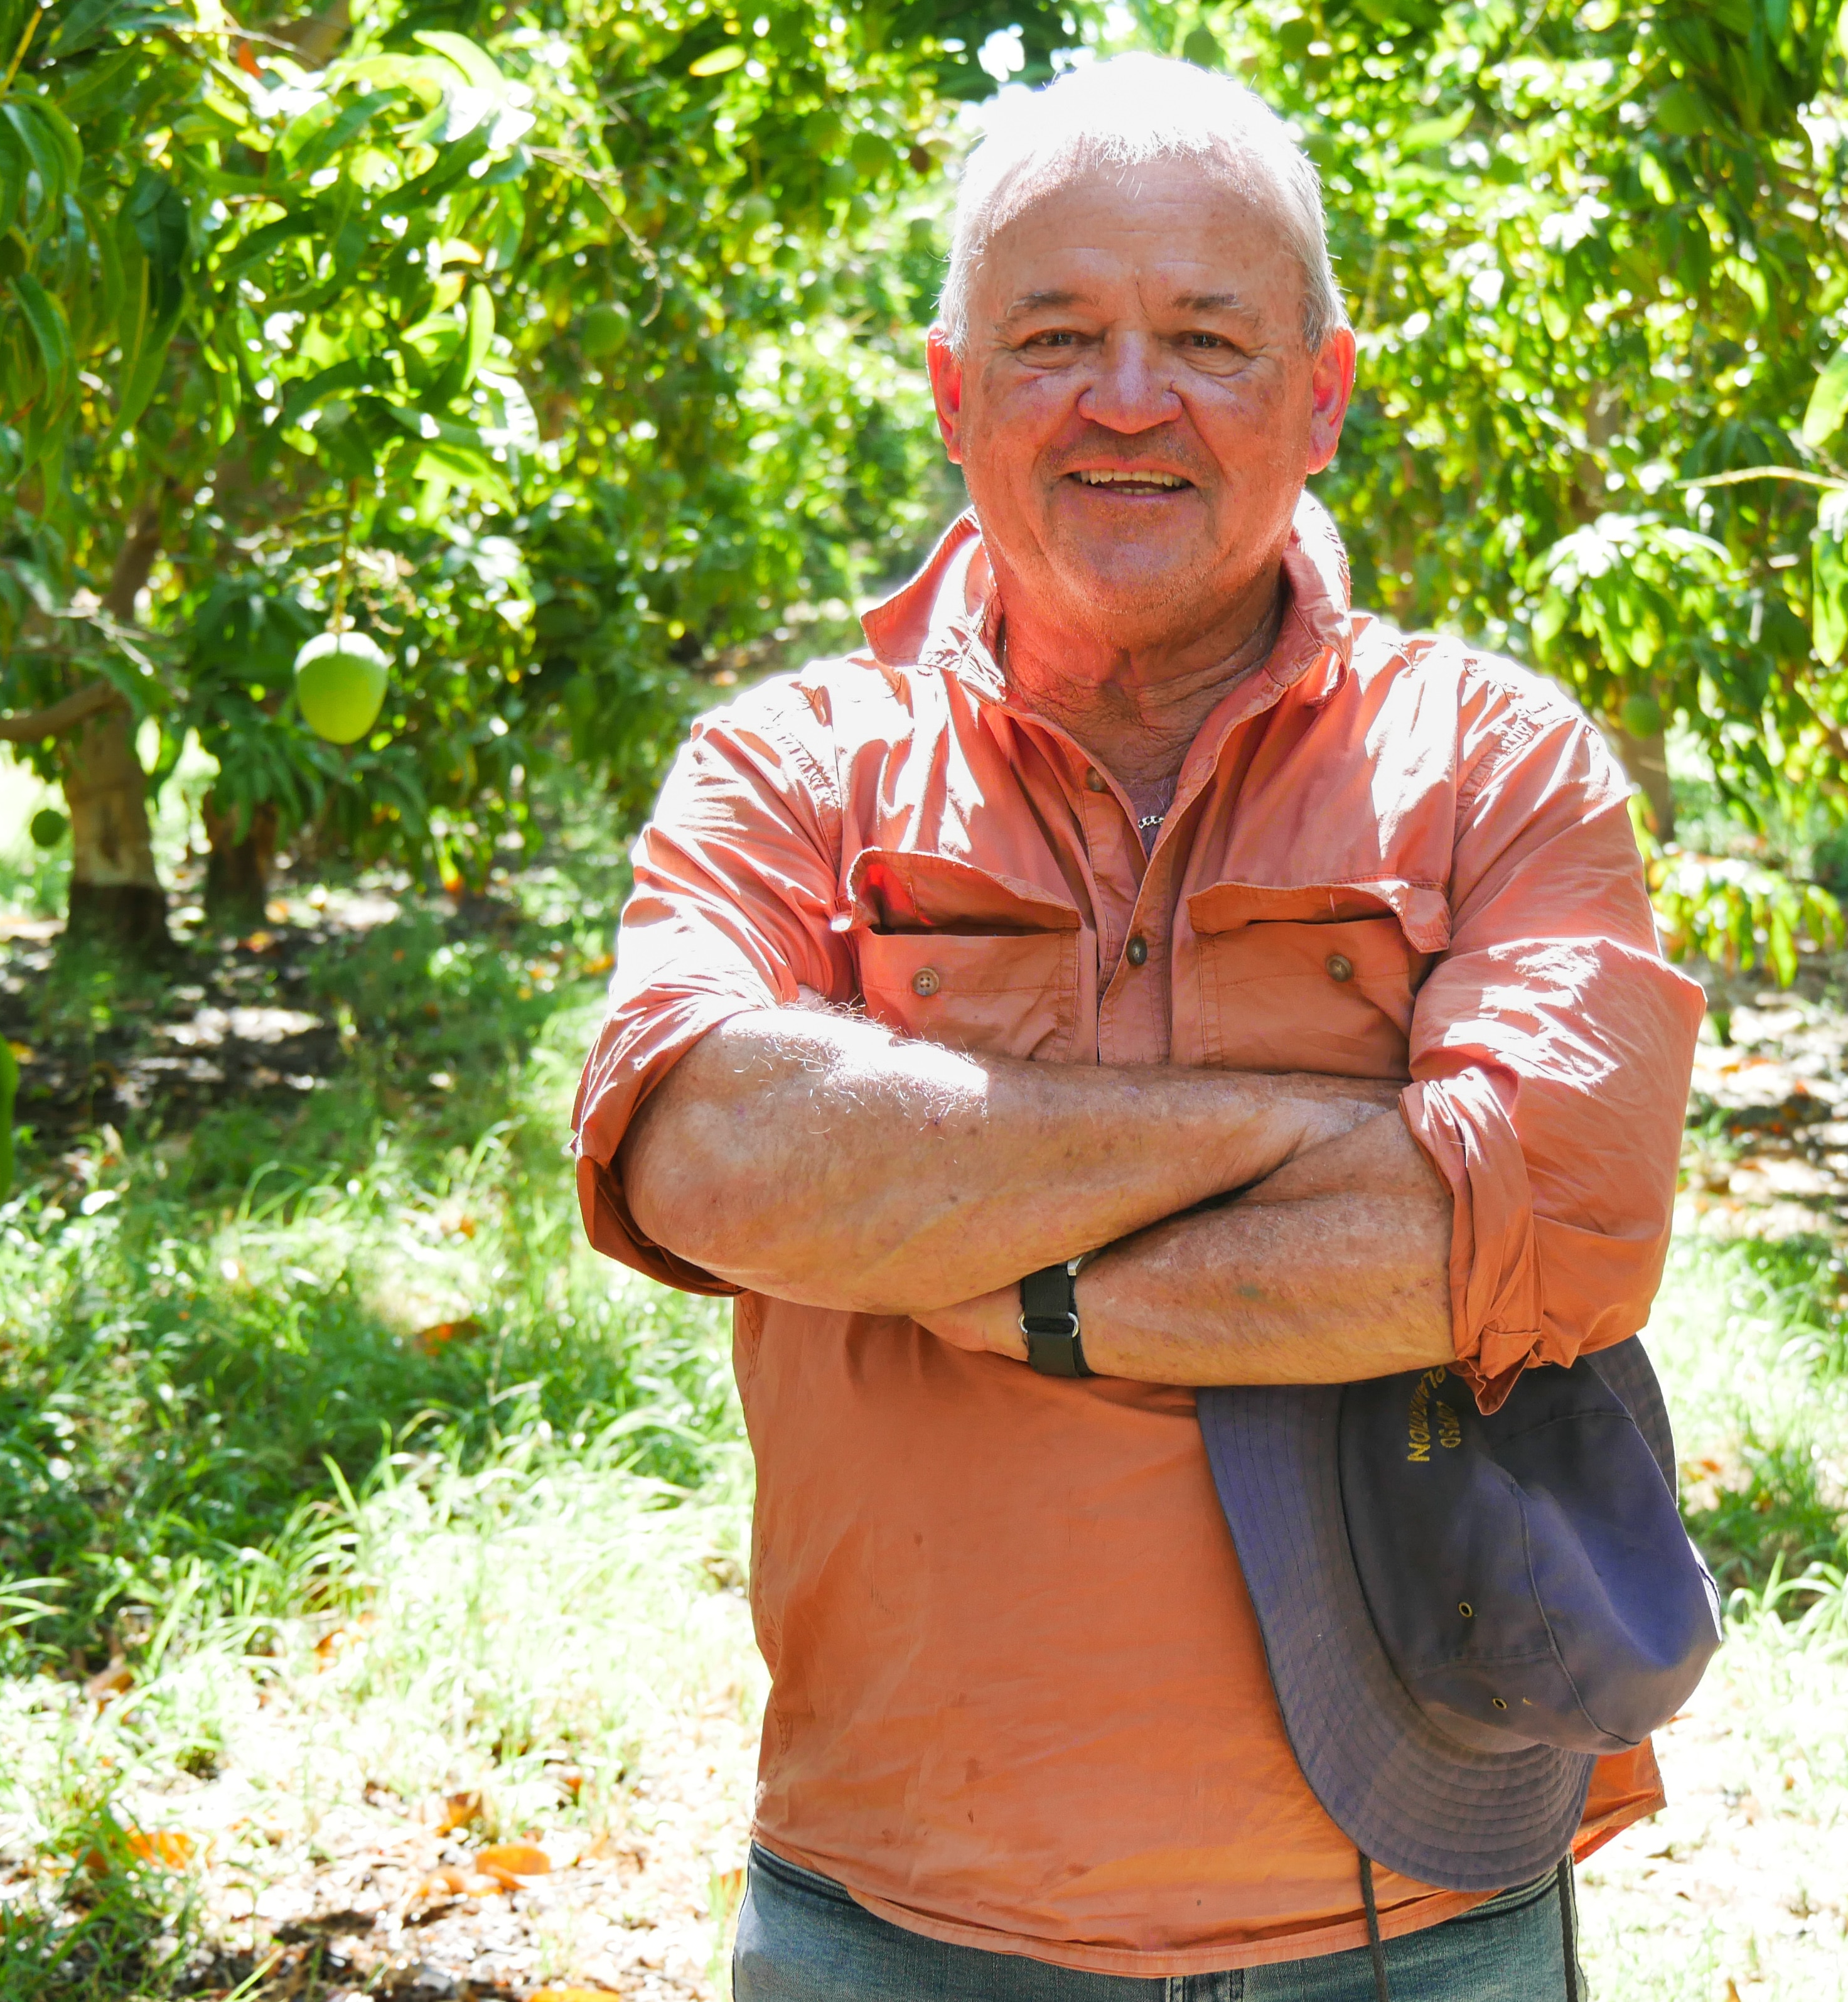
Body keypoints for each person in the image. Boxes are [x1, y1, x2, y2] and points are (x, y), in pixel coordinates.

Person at [572, 52, 1705, 2001]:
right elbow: (710, 1155)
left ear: (1323, 394)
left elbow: (1563, 1226)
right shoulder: (794, 767)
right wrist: (1289, 1127)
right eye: (1056, 336)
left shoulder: (1495, 761)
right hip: (896, 1912)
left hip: (1416, 1915)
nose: (1127, 399)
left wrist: (1011, 1280)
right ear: (952, 393)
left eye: (1205, 337)